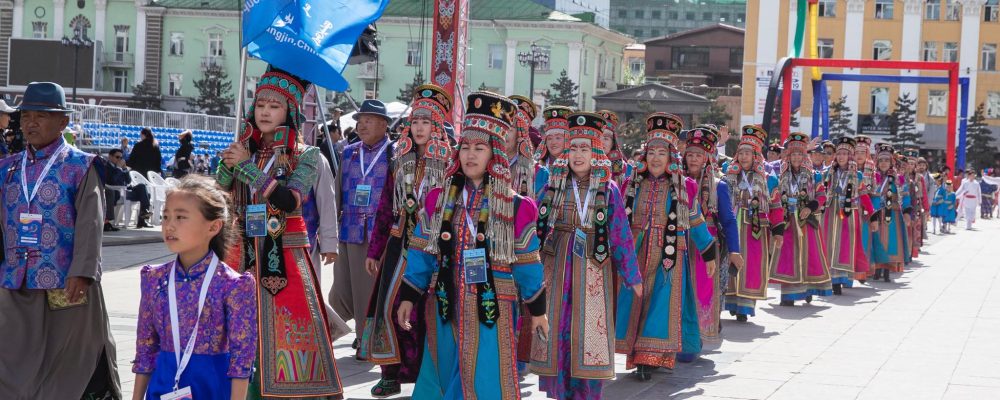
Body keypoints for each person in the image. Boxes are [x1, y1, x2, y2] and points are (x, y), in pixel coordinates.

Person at [395, 91, 548, 398]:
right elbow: (422, 252)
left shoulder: (517, 206)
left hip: (494, 306)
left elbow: (529, 264)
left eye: (479, 148)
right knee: (440, 376)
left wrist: (538, 310)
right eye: (464, 147)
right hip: (445, 302)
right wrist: (409, 295)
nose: (470, 155)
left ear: (495, 154)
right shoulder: (439, 200)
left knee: (487, 380)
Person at [218, 68, 343, 398]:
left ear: (291, 111)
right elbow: (218, 196)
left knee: (284, 334)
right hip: (241, 252)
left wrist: (245, 167)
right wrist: (227, 167)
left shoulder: (307, 155)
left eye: (274, 106)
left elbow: (288, 201)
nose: (264, 112)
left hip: (283, 257)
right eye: (260, 105)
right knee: (241, 329)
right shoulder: (243, 149)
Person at [0, 81, 121, 398]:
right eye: (26, 116)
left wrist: (82, 270)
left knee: (68, 359)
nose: (31, 123)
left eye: (41, 116)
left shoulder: (81, 166)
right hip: (15, 279)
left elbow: (90, 220)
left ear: (63, 121)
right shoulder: (7, 168)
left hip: (65, 282)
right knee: (12, 356)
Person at [532, 112, 642, 399]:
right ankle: (559, 391)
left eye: (585, 148)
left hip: (594, 266)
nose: (578, 155)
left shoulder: (609, 189)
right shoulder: (552, 186)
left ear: (596, 153)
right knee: (557, 328)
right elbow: (536, 229)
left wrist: (632, 275)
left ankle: (587, 392)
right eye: (574, 148)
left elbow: (620, 235)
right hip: (556, 268)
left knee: (590, 332)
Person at [360, 84, 453, 397]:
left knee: (430, 310)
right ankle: (390, 373)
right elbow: (386, 205)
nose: (419, 127)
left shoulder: (451, 165)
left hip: (437, 246)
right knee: (390, 306)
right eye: (415, 122)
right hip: (400, 243)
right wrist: (375, 250)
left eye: (426, 122)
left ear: (437, 127)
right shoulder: (399, 159)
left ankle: (430, 376)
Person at [132, 175, 257, 400]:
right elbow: (145, 349)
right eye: (165, 216)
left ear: (213, 226)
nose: (169, 225)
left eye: (181, 217)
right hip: (163, 388)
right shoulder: (154, 279)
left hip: (213, 388)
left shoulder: (233, 285)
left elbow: (242, 359)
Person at [615, 113, 717, 381]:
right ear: (644, 155)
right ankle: (636, 352)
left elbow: (695, 220)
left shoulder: (686, 187)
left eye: (662, 153)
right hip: (636, 251)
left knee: (660, 304)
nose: (656, 158)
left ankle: (649, 358)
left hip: (669, 252)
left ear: (672, 157)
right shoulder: (631, 183)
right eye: (652, 152)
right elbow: (619, 219)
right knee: (634, 300)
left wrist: (708, 252)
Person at [331, 98, 393, 357]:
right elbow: (337, 193)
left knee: (366, 291)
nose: (362, 125)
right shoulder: (348, 152)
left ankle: (366, 343)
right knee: (341, 288)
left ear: (383, 124)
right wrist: (330, 232)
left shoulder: (395, 153)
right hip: (350, 229)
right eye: (360, 120)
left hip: (379, 233)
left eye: (368, 120)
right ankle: (334, 328)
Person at [683, 124, 741, 342]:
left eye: (699, 154)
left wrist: (735, 250)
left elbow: (728, 220)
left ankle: (701, 332)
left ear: (707, 157)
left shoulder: (719, 185)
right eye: (690, 154)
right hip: (679, 241)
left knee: (706, 289)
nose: (694, 159)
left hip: (708, 245)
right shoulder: (676, 182)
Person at [722, 125, 781, 321]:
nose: (744, 157)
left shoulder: (768, 179)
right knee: (729, 261)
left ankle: (745, 305)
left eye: (748, 153)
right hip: (732, 225)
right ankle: (730, 301)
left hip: (754, 227)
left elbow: (775, 205)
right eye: (741, 152)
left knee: (751, 265)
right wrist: (721, 143)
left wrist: (778, 230)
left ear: (756, 156)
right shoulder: (727, 173)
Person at [770, 132, 831, 306]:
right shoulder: (779, 174)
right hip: (787, 220)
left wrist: (809, 207)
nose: (796, 157)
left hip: (806, 221)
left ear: (804, 156)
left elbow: (821, 196)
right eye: (793, 154)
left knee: (808, 255)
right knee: (788, 256)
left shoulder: (814, 175)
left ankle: (807, 290)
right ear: (788, 156)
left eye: (799, 154)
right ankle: (788, 295)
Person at [821, 137, 874, 295]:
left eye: (845, 153)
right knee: (829, 242)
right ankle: (830, 279)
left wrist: (872, 214)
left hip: (848, 213)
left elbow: (864, 194)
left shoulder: (856, 174)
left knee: (845, 245)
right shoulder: (829, 172)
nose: (842, 156)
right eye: (839, 153)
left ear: (850, 156)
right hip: (831, 211)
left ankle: (842, 278)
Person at [870, 144, 910, 283]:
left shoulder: (898, 178)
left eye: (886, 160)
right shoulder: (872, 177)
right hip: (876, 213)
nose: (883, 163)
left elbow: (905, 196)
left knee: (890, 242)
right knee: (877, 240)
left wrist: (906, 211)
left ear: (891, 162)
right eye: (881, 160)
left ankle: (887, 270)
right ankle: (877, 269)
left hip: (892, 214)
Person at [509, 95, 546, 198]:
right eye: (502, 126)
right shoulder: (487, 164)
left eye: (511, 127)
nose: (504, 132)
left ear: (522, 132)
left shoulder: (539, 173)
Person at [126, 127, 162, 228]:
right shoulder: (155, 146)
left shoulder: (138, 145)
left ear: (143, 135)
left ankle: (142, 219)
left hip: (138, 175)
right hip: (151, 176)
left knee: (143, 192)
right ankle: (142, 220)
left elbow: (132, 160)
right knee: (147, 195)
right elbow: (158, 162)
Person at [98, 148, 131, 232]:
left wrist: (125, 169)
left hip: (123, 190)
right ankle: (107, 221)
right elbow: (112, 180)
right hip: (113, 189)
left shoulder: (120, 168)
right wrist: (119, 168)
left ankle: (143, 214)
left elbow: (128, 181)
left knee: (141, 187)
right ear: (110, 157)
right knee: (111, 193)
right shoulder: (106, 166)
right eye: (117, 157)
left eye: (121, 157)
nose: (120, 159)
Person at [597, 110, 631, 186]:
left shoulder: (624, 167)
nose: (601, 142)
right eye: (598, 137)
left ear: (613, 143)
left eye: (606, 138)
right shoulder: (583, 162)